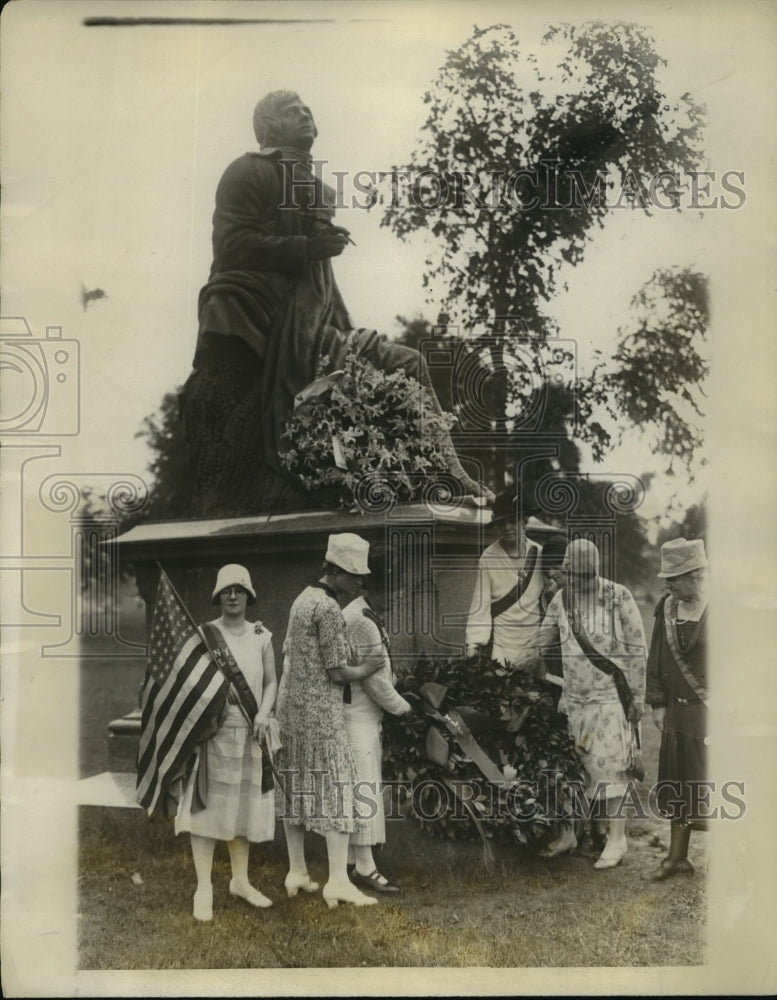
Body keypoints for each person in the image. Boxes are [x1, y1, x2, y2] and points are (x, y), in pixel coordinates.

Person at [182, 89, 492, 515]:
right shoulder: (246, 171)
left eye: (309, 109)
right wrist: (306, 246)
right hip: (258, 312)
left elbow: (321, 283)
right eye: (294, 112)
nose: (307, 115)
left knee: (406, 363)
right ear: (270, 126)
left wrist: (343, 326)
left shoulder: (319, 189)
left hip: (311, 322)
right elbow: (231, 244)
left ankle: (449, 474)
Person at [275, 532, 387, 908]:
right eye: (353, 575)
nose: (360, 583)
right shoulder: (328, 609)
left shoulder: (300, 599)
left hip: (291, 711)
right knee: (338, 791)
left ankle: (298, 871)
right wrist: (369, 665)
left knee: (296, 789)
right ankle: (338, 881)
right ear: (334, 571)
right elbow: (338, 672)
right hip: (321, 714)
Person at [174, 564, 278, 922]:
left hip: (252, 732)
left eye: (240, 590)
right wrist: (217, 700)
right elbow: (189, 684)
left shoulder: (262, 635)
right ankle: (203, 887)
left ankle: (241, 881)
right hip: (213, 735)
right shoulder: (205, 636)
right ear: (217, 596)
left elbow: (270, 682)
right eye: (226, 591)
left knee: (241, 808)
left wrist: (264, 713)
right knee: (207, 808)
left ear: (249, 595)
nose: (233, 596)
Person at [539, 539, 646, 868]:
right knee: (573, 772)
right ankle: (570, 834)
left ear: (596, 571)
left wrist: (638, 698)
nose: (580, 582)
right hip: (574, 702)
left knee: (613, 772)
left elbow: (637, 648)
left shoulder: (618, 596)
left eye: (586, 576)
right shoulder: (560, 599)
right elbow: (543, 641)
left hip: (610, 699)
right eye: (574, 575)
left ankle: (617, 840)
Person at [340, 562, 412, 894]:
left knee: (363, 786)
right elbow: (375, 682)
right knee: (364, 786)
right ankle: (366, 867)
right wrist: (404, 708)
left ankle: (357, 860)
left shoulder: (366, 613)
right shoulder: (361, 620)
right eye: (392, 590)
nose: (396, 597)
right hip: (358, 714)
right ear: (373, 588)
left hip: (366, 715)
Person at [645, 538, 709, 881]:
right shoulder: (667, 608)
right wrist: (657, 703)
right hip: (676, 711)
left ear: (695, 574)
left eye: (674, 577)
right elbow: (656, 658)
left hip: (712, 713)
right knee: (677, 783)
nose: (667, 584)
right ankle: (676, 859)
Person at [465, 489, 545, 670]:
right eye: (501, 523)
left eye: (512, 521)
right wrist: (473, 644)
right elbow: (481, 603)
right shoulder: (488, 557)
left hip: (534, 643)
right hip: (502, 643)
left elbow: (551, 597)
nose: (507, 528)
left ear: (524, 521)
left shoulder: (539, 554)